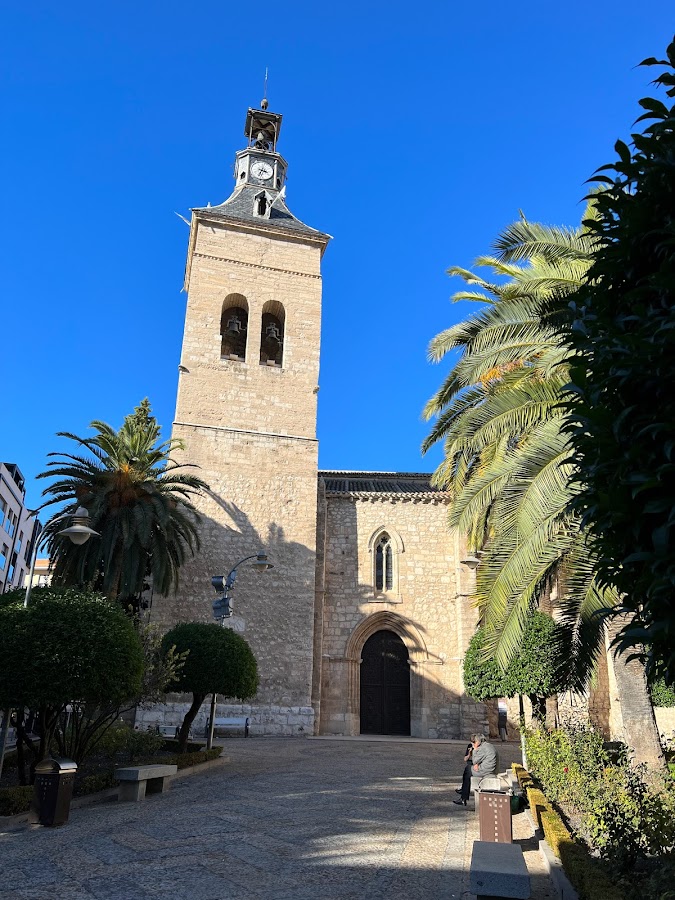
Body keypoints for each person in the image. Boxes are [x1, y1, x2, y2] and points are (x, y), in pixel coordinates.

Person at [454, 733, 497, 806]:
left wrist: (474, 750)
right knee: (468, 769)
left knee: (468, 770)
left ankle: (463, 798)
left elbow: (475, 760)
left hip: (487, 770)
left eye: (474, 742)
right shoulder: (487, 746)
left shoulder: (482, 748)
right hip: (489, 767)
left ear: (478, 742)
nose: (473, 744)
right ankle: (463, 794)